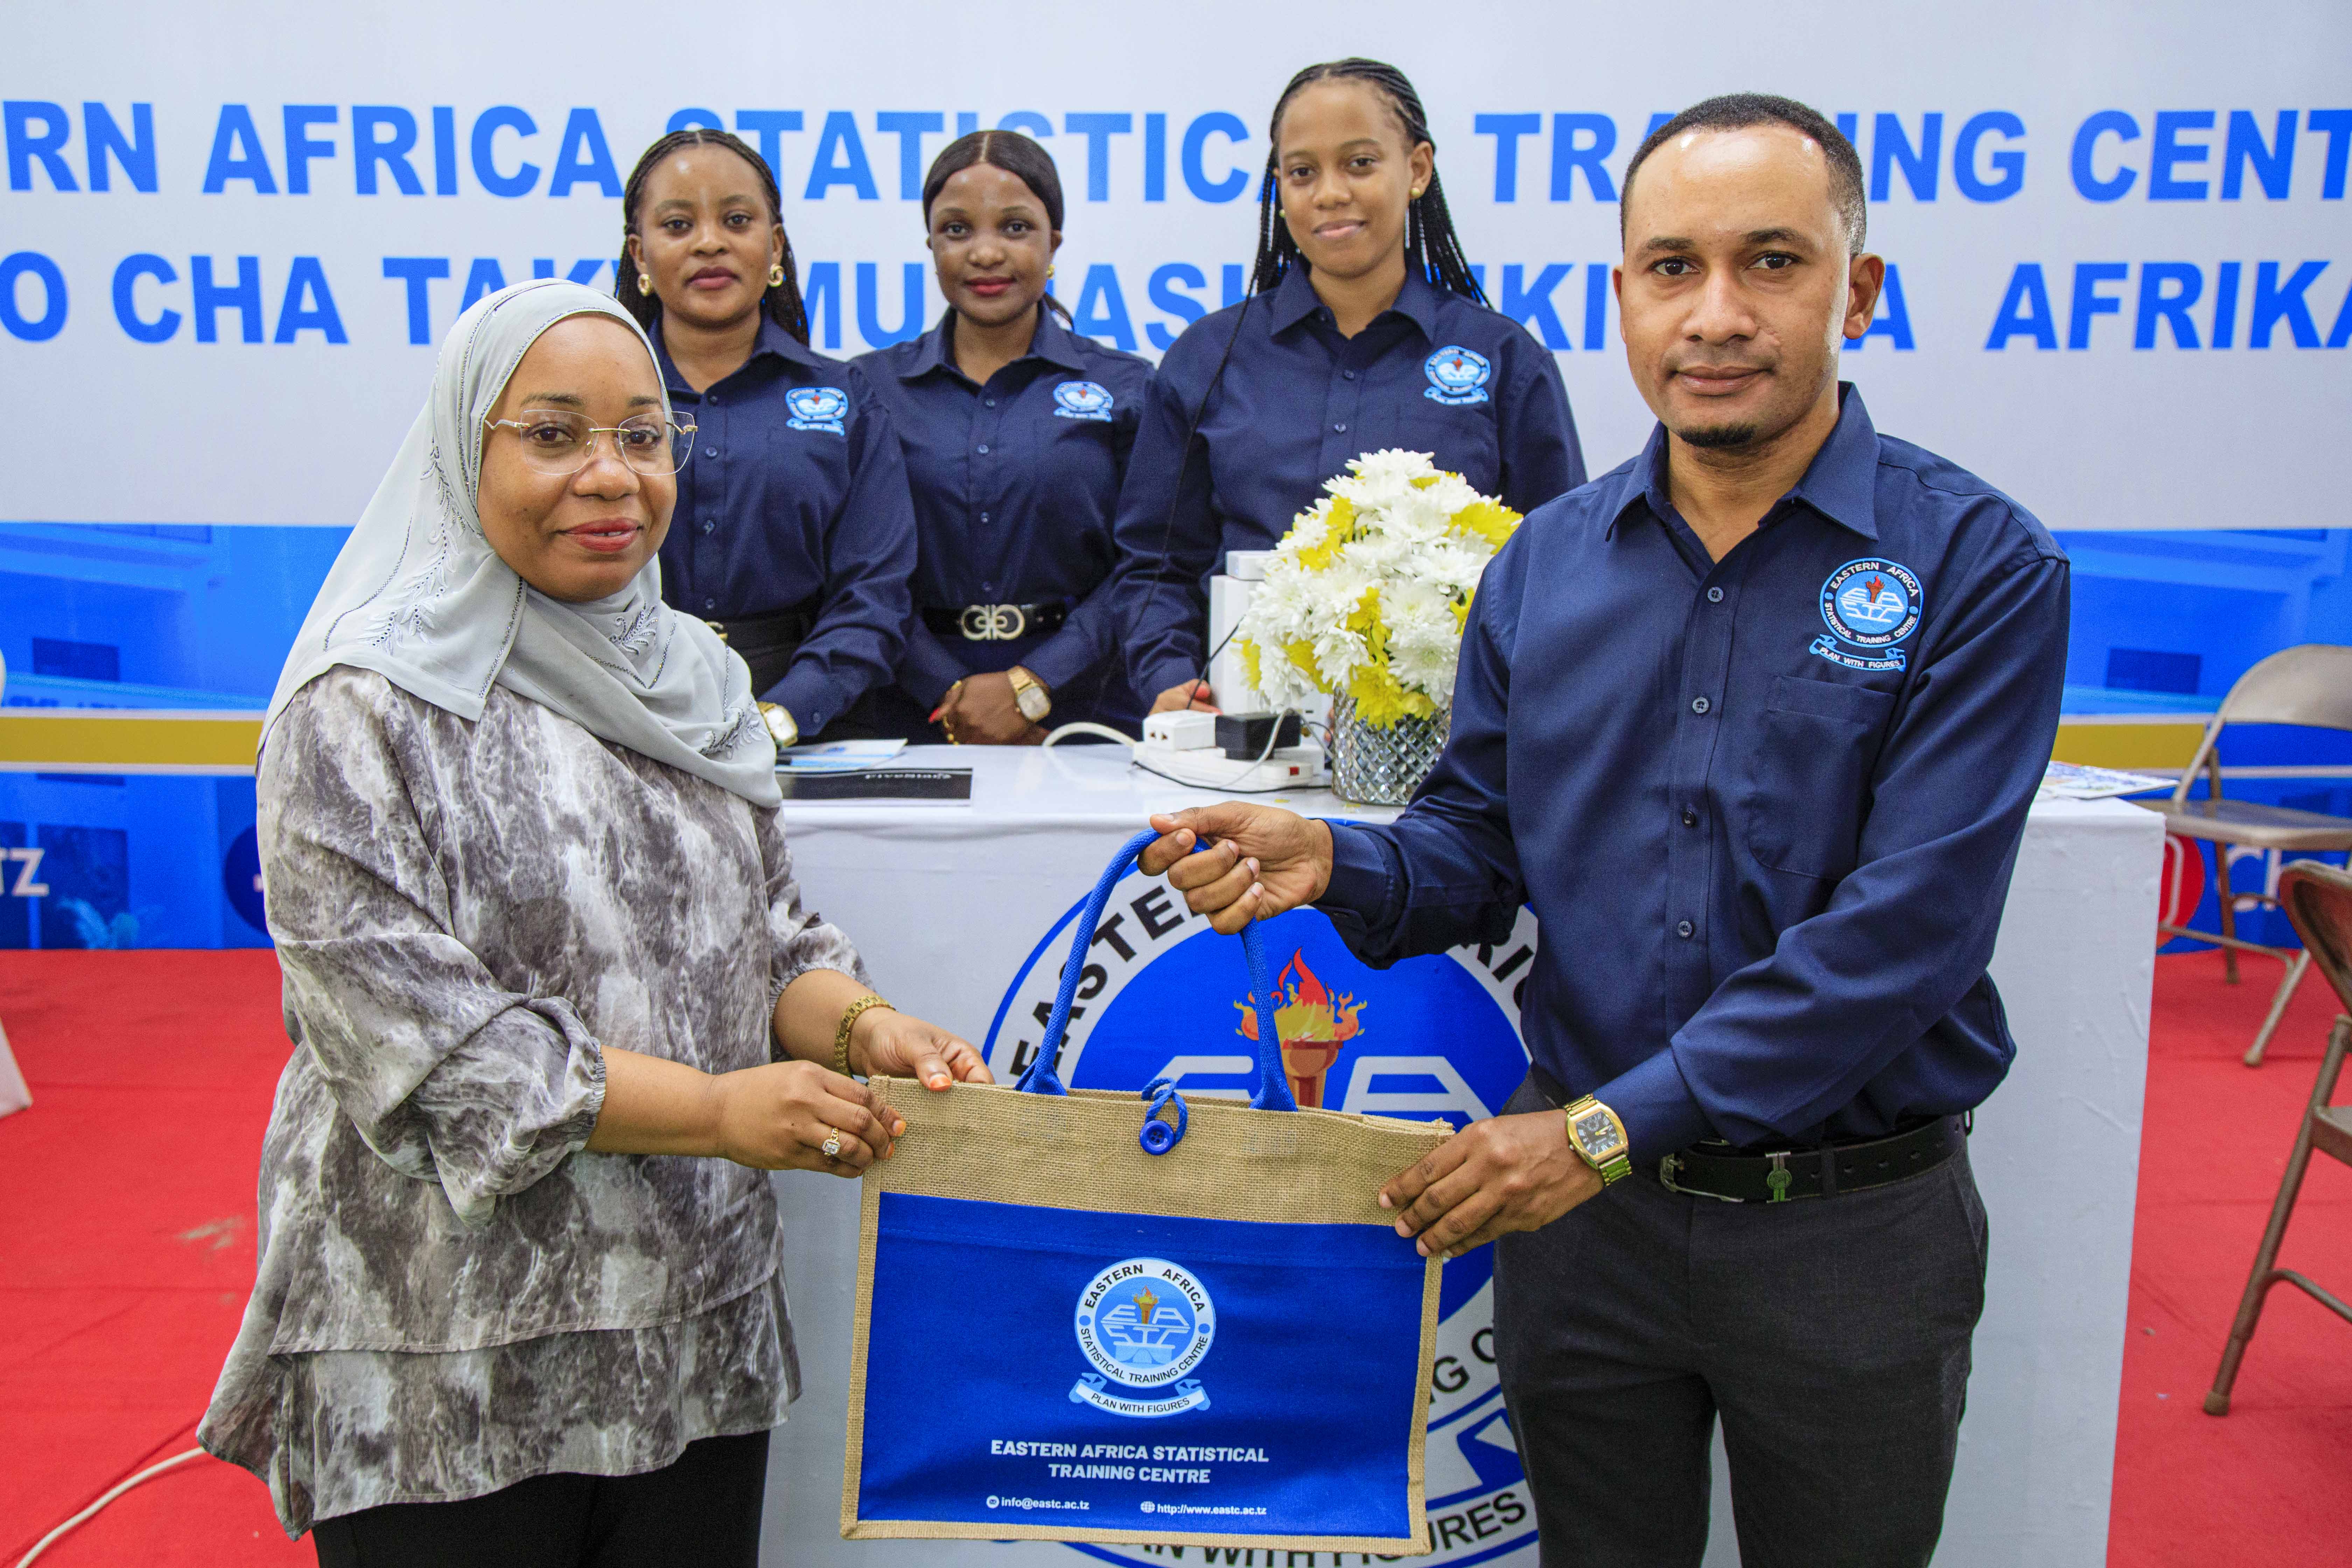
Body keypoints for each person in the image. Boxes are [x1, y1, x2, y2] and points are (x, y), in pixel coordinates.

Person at [1139, 95, 2069, 1567]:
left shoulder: (1977, 564)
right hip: (1592, 1240)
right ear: (1620, 291)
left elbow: (1910, 936)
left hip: (1838, 1234)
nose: (1715, 316)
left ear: (1860, 288)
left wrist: (1601, 1128)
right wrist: (1347, 861)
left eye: (1771, 263)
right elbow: (1479, 839)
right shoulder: (1544, 567)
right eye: (1671, 268)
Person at [198, 279, 990, 1566]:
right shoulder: (363, 711)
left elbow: (769, 938)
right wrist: (726, 1113)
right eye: (554, 435)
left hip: (688, 1331)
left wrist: (865, 1028)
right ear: (466, 448)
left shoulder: (692, 675)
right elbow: (441, 1056)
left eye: (643, 434)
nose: (612, 476)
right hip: (445, 1353)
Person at [1111, 58, 1586, 716]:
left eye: (1360, 163)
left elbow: (1560, 572)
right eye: (1302, 172)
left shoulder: (1503, 358)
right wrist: (1170, 677)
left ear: (1417, 169)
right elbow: (1155, 565)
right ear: (1280, 186)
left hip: (1443, 752)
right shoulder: (1208, 358)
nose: (1329, 193)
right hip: (1242, 732)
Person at [618, 127, 917, 746]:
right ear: (640, 256)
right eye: (677, 226)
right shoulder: (597, 400)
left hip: (815, 726)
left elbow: (875, 592)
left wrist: (782, 717)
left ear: (774, 245)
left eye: (736, 220)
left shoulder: (847, 400)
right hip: (620, 710)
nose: (709, 243)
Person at [852, 131, 1152, 743]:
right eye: (957, 230)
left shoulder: (1128, 388)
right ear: (931, 245)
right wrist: (948, 689)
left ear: (1053, 244)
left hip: (1088, 711)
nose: (985, 253)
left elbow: (1148, 566)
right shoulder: (868, 388)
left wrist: (1035, 682)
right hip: (912, 715)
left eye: (1015, 228)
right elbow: (851, 572)